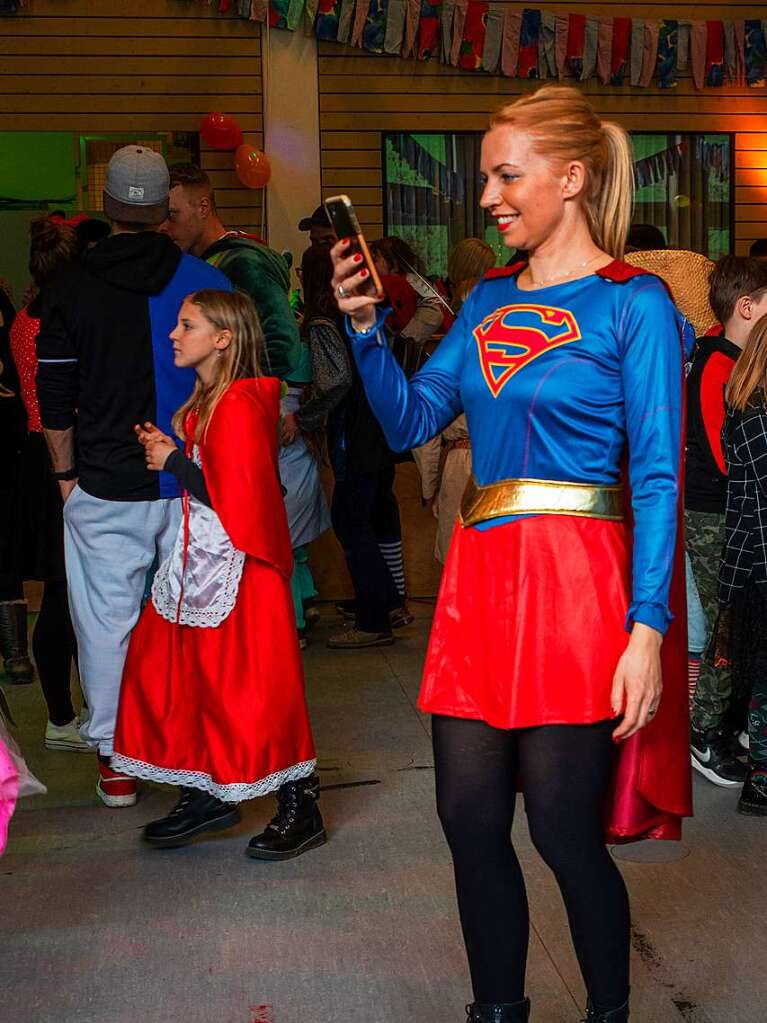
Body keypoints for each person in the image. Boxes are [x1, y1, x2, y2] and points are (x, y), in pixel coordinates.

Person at [330, 84, 691, 1023]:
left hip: (579, 588)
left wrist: (646, 628)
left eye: (504, 175)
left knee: (566, 835)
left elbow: (656, 476)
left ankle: (607, 1012)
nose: (487, 196)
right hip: (482, 586)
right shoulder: (486, 298)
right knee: (466, 821)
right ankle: (496, 1010)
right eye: (484, 177)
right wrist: (367, 328)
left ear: (569, 178)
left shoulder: (634, 303)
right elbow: (413, 415)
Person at [36, 145, 231, 808]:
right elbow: (234, 390)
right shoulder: (208, 282)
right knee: (199, 617)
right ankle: (201, 750)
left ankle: (117, 763)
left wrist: (66, 477)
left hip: (104, 480)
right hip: (194, 479)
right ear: (161, 209)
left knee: (104, 624)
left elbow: (54, 394)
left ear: (109, 205)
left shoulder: (68, 290)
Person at [111, 290, 324, 857]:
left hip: (237, 567)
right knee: (174, 674)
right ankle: (205, 788)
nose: (175, 335)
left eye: (188, 326)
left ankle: (300, 805)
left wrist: (174, 461)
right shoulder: (214, 400)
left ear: (223, 338)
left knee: (251, 689)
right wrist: (174, 452)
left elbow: (243, 498)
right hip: (197, 559)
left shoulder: (234, 405)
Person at [687, 256, 767, 786]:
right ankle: (705, 732)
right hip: (714, 512)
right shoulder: (719, 362)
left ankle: (732, 722)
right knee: (727, 622)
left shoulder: (722, 346)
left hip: (722, 509)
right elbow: (725, 456)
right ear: (747, 306)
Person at [9, 215, 86, 749]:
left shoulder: (22, 319)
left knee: (61, 593)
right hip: (65, 458)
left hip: (34, 460)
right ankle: (62, 717)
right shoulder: (63, 319)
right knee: (65, 594)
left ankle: (65, 712)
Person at [163, 164, 299, 380]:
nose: (164, 225)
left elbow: (283, 347)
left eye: (172, 215)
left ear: (203, 208)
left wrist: (225, 384)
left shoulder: (244, 262)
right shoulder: (199, 262)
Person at [414, 239, 496, 563]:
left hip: (463, 463)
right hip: (511, 465)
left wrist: (429, 486)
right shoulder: (521, 339)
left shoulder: (452, 348)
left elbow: (426, 428)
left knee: (462, 576)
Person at [717, 311, 767, 816]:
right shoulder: (755, 416)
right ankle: (761, 780)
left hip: (754, 562)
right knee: (761, 679)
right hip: (758, 565)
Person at [0, 282, 31, 685]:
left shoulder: (7, 311)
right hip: (9, 442)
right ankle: (15, 652)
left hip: (7, 443)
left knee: (5, 545)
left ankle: (14, 649)